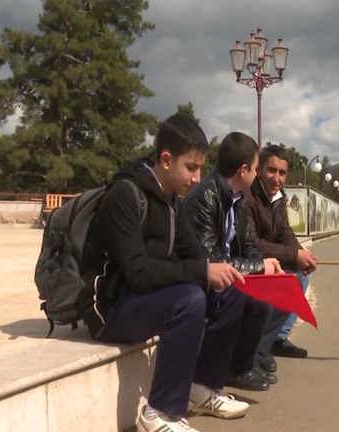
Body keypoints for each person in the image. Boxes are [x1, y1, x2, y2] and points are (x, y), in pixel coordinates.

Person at [80, 113, 250, 432]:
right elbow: (139, 272)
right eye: (191, 167)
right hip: (111, 310)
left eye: (201, 168)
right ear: (167, 160)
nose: (198, 177)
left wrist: (217, 270)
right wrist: (201, 272)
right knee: (189, 299)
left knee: (229, 290)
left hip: (145, 298)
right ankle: (161, 413)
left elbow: (195, 253)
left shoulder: (172, 201)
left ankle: (200, 388)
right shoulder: (125, 196)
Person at [183, 131, 283, 396]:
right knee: (253, 301)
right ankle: (234, 370)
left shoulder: (236, 197)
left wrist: (265, 264)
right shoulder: (206, 197)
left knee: (273, 291)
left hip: (225, 273)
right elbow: (212, 261)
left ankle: (244, 363)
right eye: (256, 168)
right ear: (243, 170)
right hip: (201, 277)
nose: (258, 173)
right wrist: (260, 268)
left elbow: (248, 244)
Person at [243, 145, 317, 374]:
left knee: (302, 274)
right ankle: (257, 349)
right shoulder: (248, 197)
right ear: (259, 170)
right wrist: (294, 255)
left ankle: (275, 339)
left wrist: (300, 255)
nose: (277, 178)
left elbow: (285, 233)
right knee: (289, 284)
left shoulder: (278, 198)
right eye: (271, 171)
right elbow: (253, 243)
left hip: (270, 259)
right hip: (251, 261)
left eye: (282, 173)